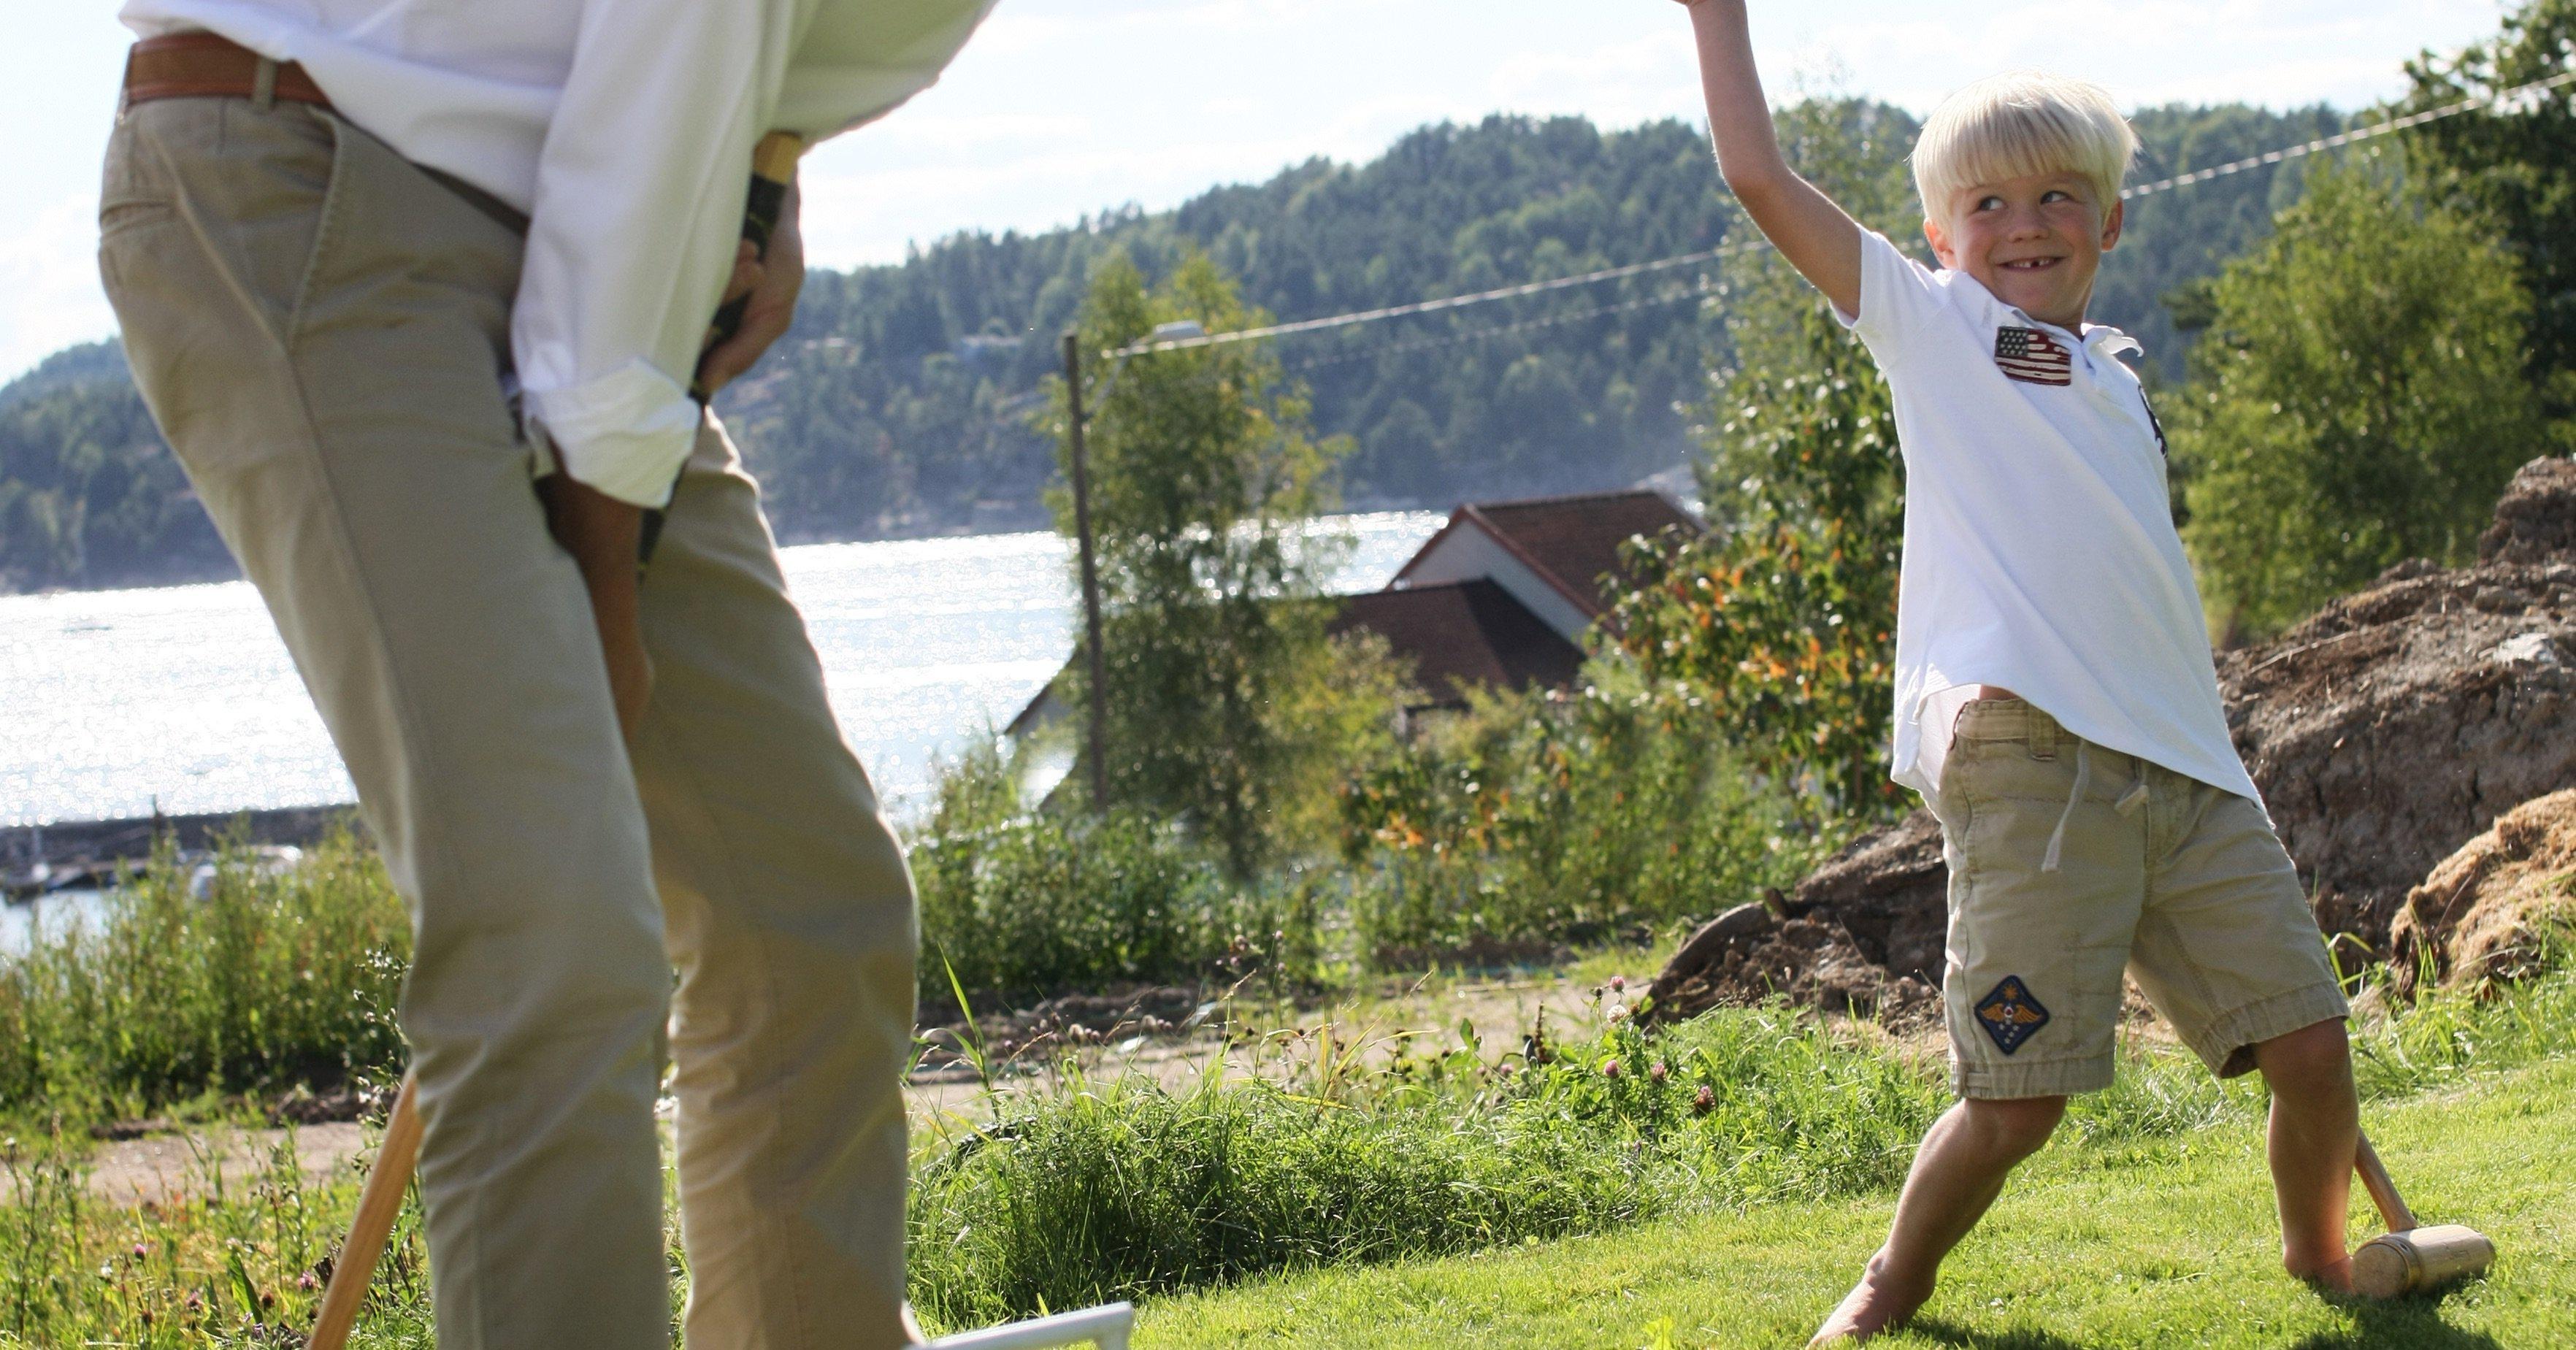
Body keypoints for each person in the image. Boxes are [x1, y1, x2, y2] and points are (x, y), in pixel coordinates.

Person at [99, 2, 994, 1346]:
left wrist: (768, 166)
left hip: (574, 239)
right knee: (556, 948)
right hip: (310, 175)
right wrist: (604, 574)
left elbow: (717, 71)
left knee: (806, 908)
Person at [1671, 3, 2364, 1343]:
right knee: (2018, 1101)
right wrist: (1719, 14)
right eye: (1986, 201)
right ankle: (1890, 1283)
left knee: (2314, 1044)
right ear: (1939, 237)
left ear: (2109, 225)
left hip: (2189, 774)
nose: (2025, 220)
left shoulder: (2117, 383)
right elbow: (1759, 178)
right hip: (2031, 765)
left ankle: (2329, 1261)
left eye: (2060, 194)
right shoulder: (1937, 334)